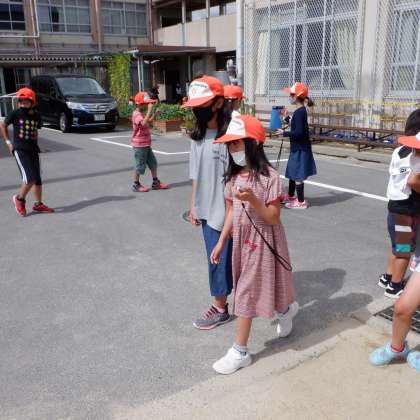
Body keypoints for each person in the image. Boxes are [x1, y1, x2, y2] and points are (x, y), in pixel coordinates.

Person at [210, 115, 298, 374]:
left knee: (247, 291)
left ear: (253, 143)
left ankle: (240, 351)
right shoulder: (232, 178)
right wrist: (221, 241)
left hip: (265, 240)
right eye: (230, 144)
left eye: (236, 143)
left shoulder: (270, 177)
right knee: (263, 286)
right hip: (242, 243)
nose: (232, 149)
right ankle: (285, 310)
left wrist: (253, 200)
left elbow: (273, 217)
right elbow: (230, 211)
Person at [183, 75, 233, 330]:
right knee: (216, 258)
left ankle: (222, 308)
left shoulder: (231, 135)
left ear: (218, 103)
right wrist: (194, 205)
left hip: (229, 210)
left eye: (201, 105)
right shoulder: (198, 135)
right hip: (206, 208)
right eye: (194, 106)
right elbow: (196, 173)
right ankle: (221, 305)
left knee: (228, 259)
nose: (197, 110)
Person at [370, 131, 420, 371]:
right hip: (401, 213)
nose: (415, 153)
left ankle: (393, 282)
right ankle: (393, 284)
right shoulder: (404, 155)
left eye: (418, 150)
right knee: (401, 250)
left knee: (401, 250)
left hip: (402, 213)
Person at [378, 109, 420, 298]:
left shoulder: (399, 151)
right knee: (404, 251)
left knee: (396, 247)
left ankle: (387, 277)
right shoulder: (417, 154)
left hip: (394, 208)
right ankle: (394, 287)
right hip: (406, 211)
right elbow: (413, 181)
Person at [0, 87, 54, 217]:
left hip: (33, 150)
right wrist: (8, 142)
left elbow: (35, 130)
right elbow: (3, 125)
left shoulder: (36, 116)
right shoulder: (15, 113)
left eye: (26, 101)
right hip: (20, 150)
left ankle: (38, 204)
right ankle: (19, 199)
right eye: (21, 101)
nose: (23, 103)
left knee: (37, 179)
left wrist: (38, 145)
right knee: (30, 178)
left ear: (32, 102)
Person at [278, 82, 317, 209]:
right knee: (292, 172)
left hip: (300, 148)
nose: (289, 97)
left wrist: (284, 133)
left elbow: (299, 132)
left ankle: (301, 202)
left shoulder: (300, 112)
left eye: (291, 95)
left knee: (297, 174)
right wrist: (286, 118)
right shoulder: (299, 111)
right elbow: (296, 126)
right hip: (297, 147)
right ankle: (290, 196)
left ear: (296, 96)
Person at [131, 91, 169, 192]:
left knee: (153, 163)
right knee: (139, 165)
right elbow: (143, 123)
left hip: (146, 144)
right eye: (146, 103)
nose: (148, 105)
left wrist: (155, 114)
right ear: (139, 104)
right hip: (139, 145)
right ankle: (136, 184)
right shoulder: (136, 114)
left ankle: (155, 182)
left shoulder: (141, 114)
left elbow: (149, 121)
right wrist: (149, 110)